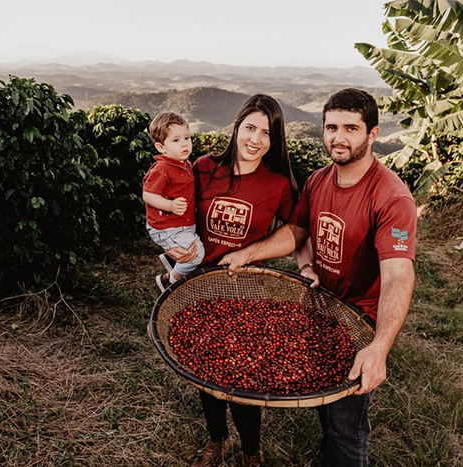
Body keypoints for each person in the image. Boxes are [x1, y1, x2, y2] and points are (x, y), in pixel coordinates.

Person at [219, 88, 417, 466]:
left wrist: (379, 347)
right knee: (327, 405)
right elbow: (297, 231)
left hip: (360, 322)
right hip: (323, 308)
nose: (338, 138)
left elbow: (397, 275)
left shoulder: (391, 198)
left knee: (346, 427)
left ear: (372, 134)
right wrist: (249, 252)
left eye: (351, 129)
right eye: (331, 127)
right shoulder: (319, 180)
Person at [163, 94, 298, 467]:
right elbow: (173, 210)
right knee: (205, 368)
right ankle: (216, 440)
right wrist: (171, 244)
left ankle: (252, 451)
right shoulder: (204, 168)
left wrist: (253, 253)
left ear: (275, 141)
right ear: (236, 127)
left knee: (244, 374)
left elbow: (296, 229)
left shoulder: (277, 183)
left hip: (246, 292)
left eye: (266, 133)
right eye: (250, 127)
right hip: (200, 288)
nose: (255, 139)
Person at [143, 111, 205, 292]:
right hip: (167, 226)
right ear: (161, 148)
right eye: (176, 140)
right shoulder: (162, 168)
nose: (184, 143)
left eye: (187, 137)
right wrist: (169, 205)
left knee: (193, 246)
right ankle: (170, 280)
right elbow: (148, 195)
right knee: (196, 254)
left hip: (182, 223)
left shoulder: (184, 163)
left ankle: (172, 259)